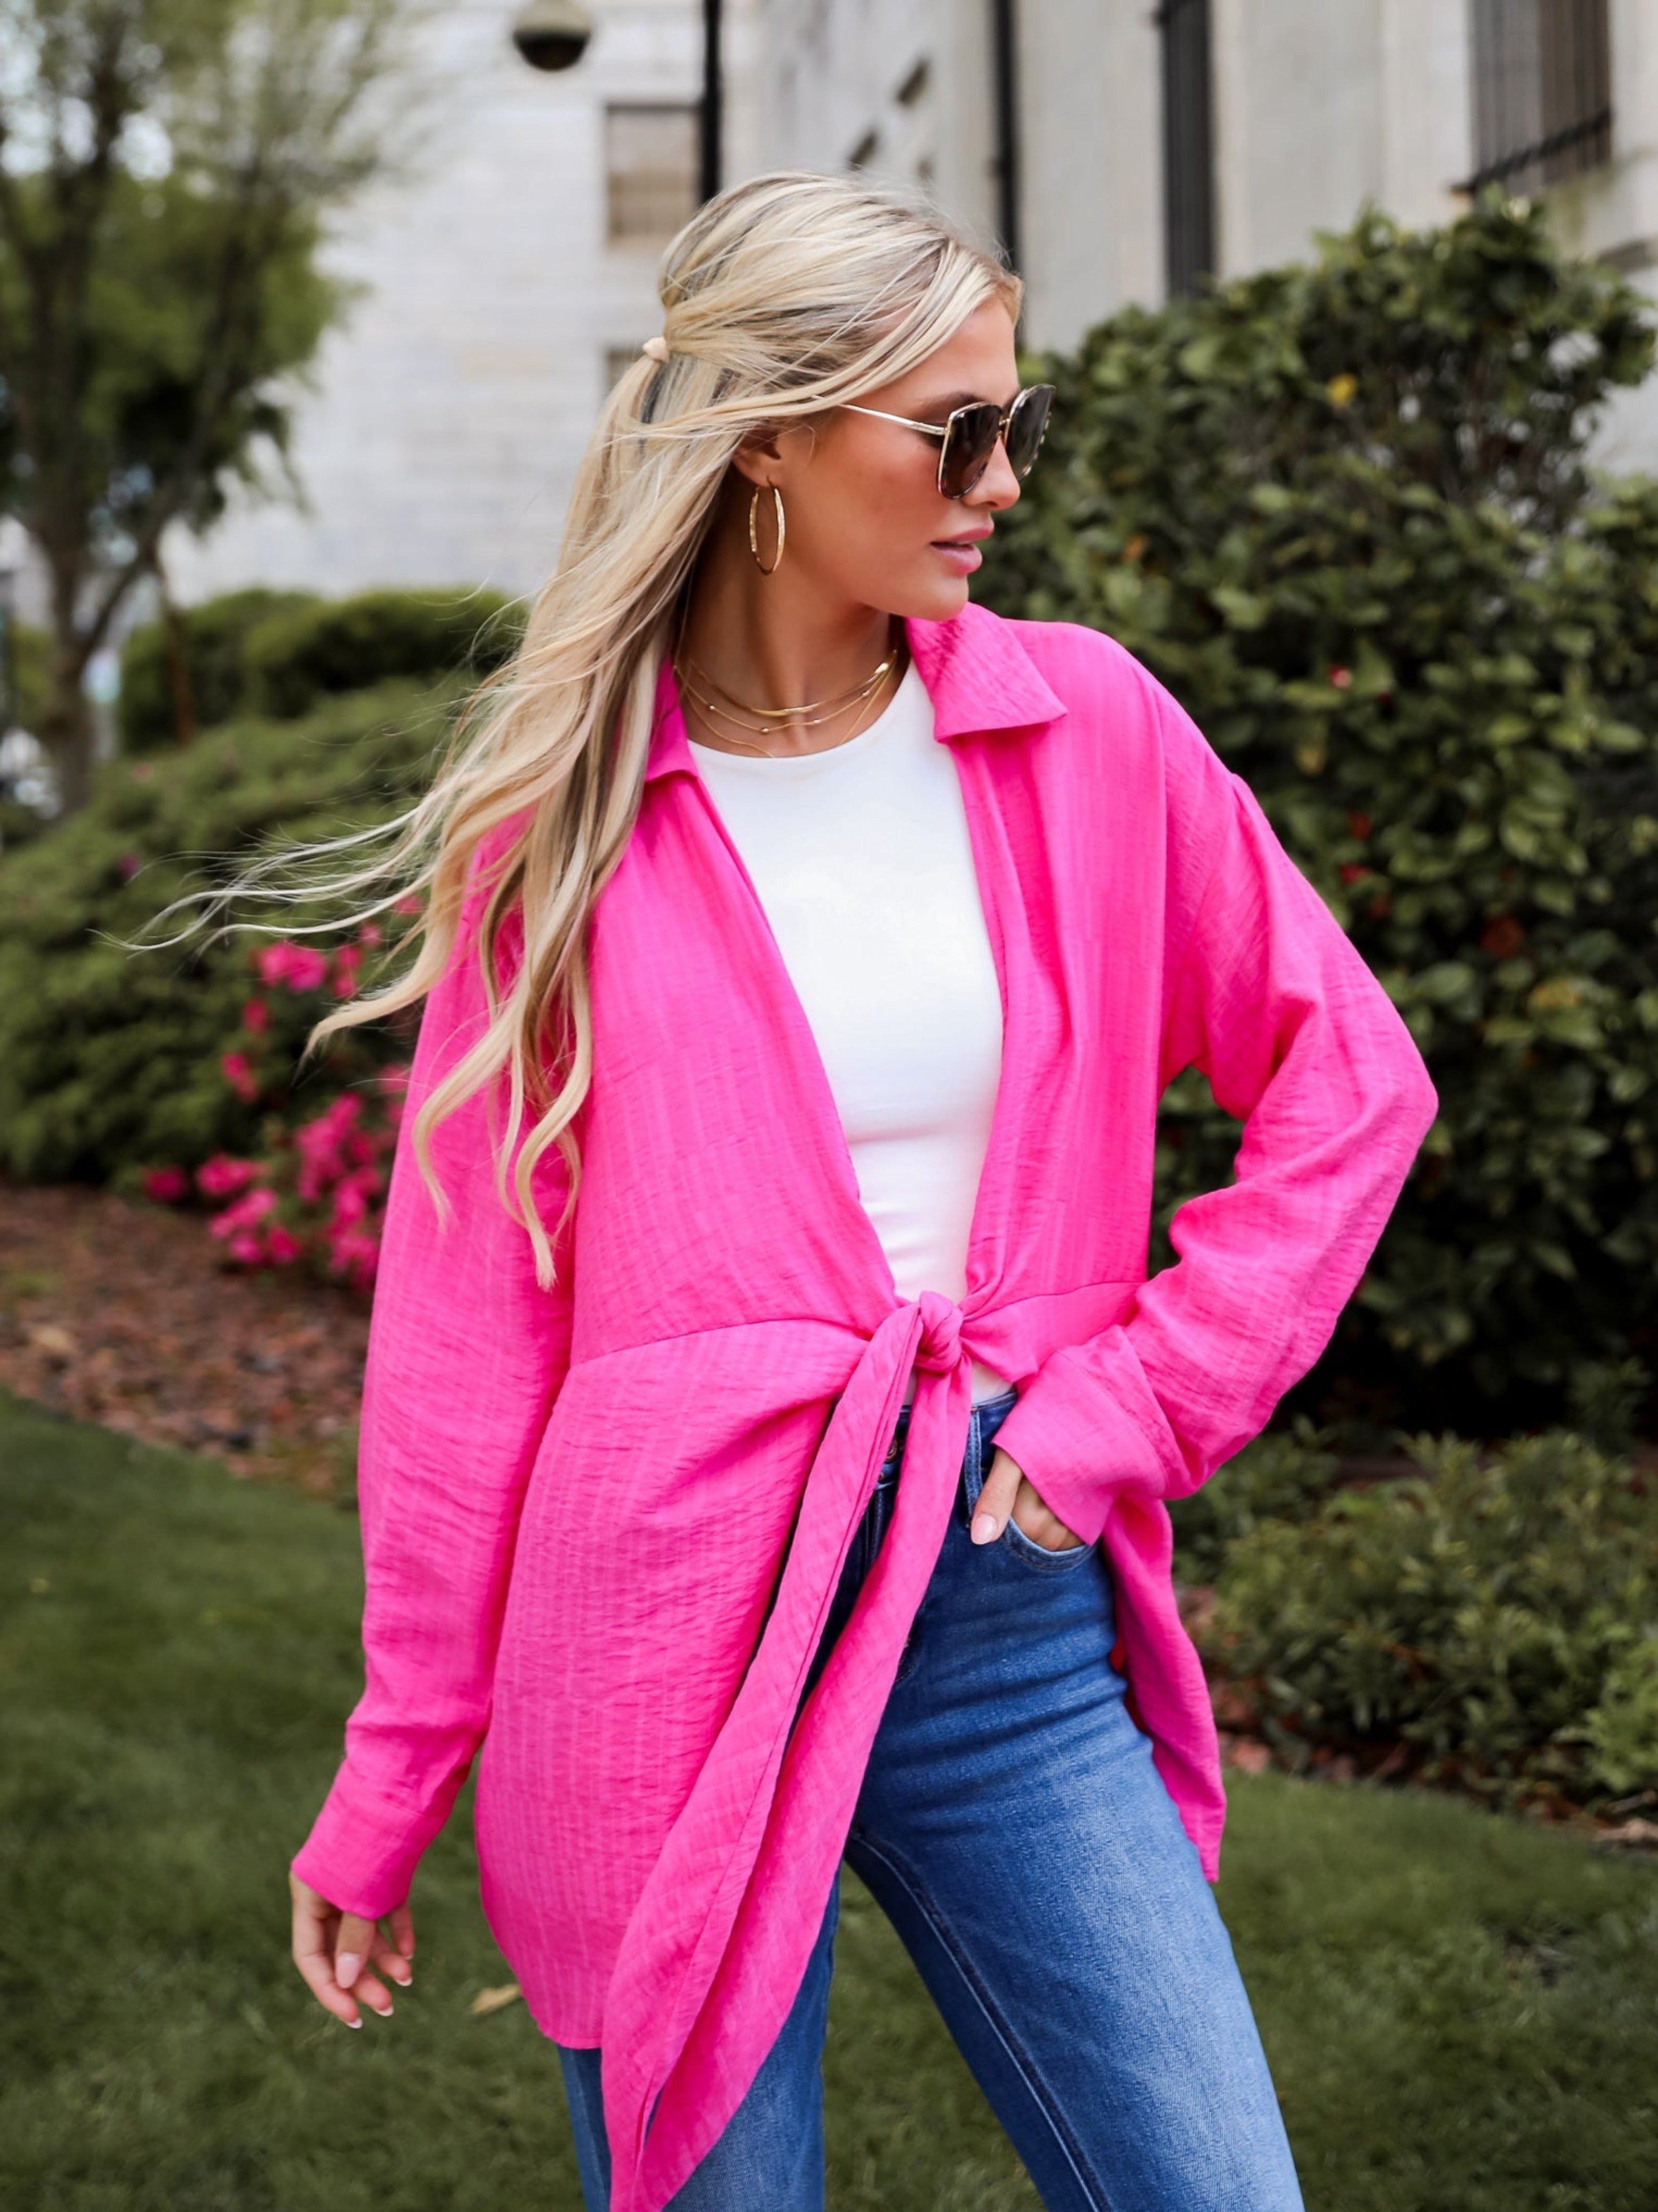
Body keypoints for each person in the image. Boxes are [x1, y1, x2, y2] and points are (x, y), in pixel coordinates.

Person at [278, 169, 1438, 2210]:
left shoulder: (1089, 732)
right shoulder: (558, 833)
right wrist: (391, 1784)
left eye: (1018, 425)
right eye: (953, 430)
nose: (1001, 483)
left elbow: (1351, 1081)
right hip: (658, 1654)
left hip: (1005, 1632)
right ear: (768, 445)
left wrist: (1134, 1404)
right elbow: (462, 1354)